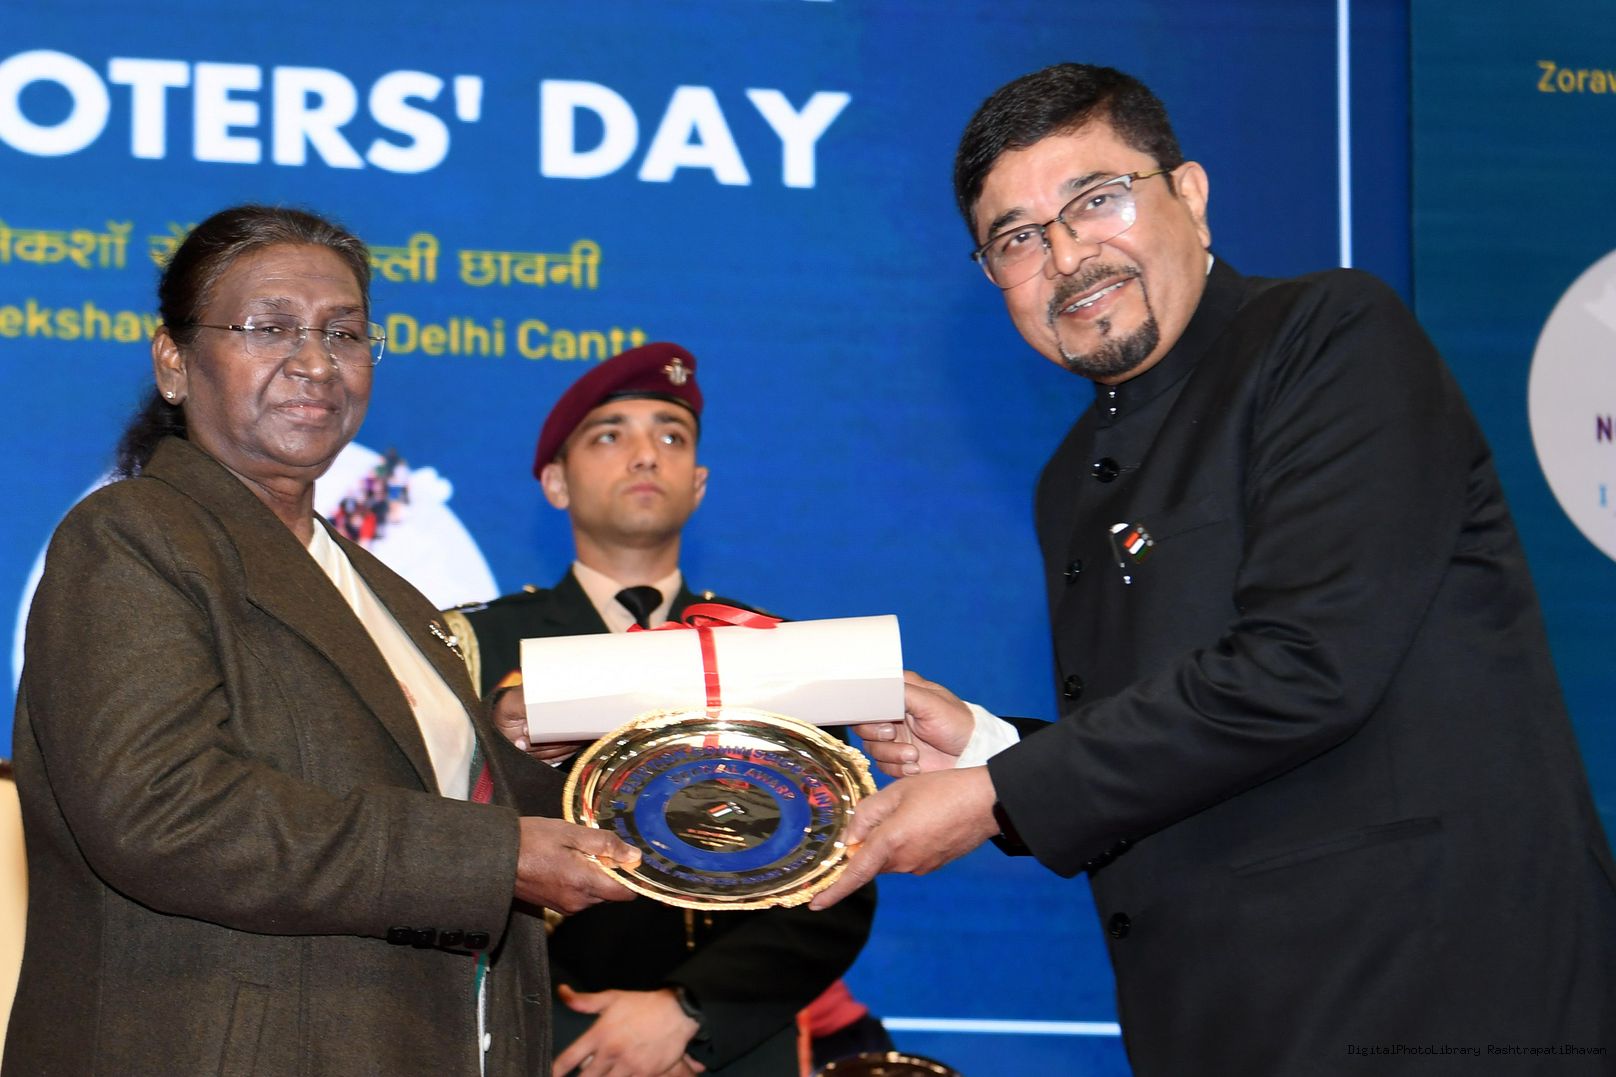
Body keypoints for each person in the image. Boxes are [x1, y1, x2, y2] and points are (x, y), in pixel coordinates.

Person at [810, 64, 1616, 1074]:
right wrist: (985, 749)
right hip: (1218, 1022)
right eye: (1016, 239)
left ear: (1189, 195)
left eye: (1095, 200)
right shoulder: (1070, 479)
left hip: (1430, 993)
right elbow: (1178, 736)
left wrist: (995, 797)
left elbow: (1303, 667)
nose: (1067, 256)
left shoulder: (1328, 336)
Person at [4, 204, 640, 1076]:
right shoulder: (131, 536)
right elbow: (166, 811)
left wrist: (519, 763)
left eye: (343, 333)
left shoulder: (389, 595)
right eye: (270, 328)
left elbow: (409, 795)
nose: (315, 361)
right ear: (174, 362)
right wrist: (499, 857)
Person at [443, 342, 884, 1077]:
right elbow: (437, 853)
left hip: (731, 1045)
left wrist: (691, 1013)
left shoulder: (770, 649)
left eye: (672, 437)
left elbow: (837, 876)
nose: (647, 454)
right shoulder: (470, 647)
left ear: (699, 483)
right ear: (555, 481)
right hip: (537, 1036)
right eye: (610, 435)